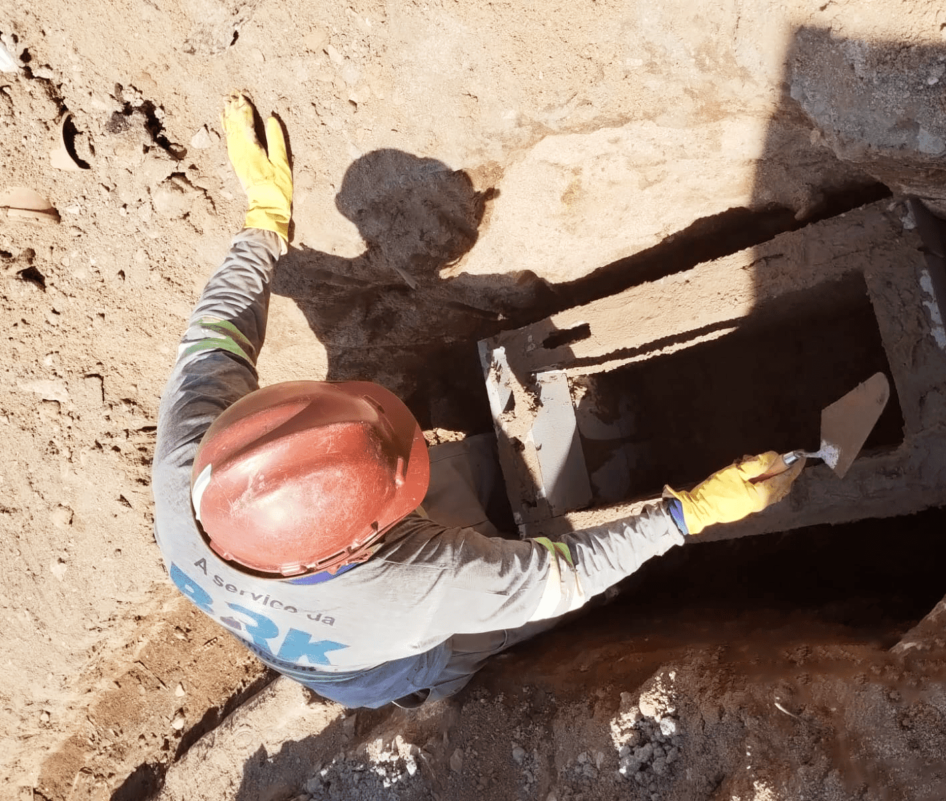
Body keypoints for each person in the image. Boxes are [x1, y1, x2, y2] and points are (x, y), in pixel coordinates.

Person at [151, 94, 804, 709]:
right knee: (488, 621)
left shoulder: (198, 465)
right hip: (381, 662)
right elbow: (562, 576)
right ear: (360, 545)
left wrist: (264, 222)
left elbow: (220, 331)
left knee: (460, 474)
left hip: (329, 595)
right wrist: (685, 514)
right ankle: (461, 662)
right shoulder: (413, 591)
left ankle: (511, 476)